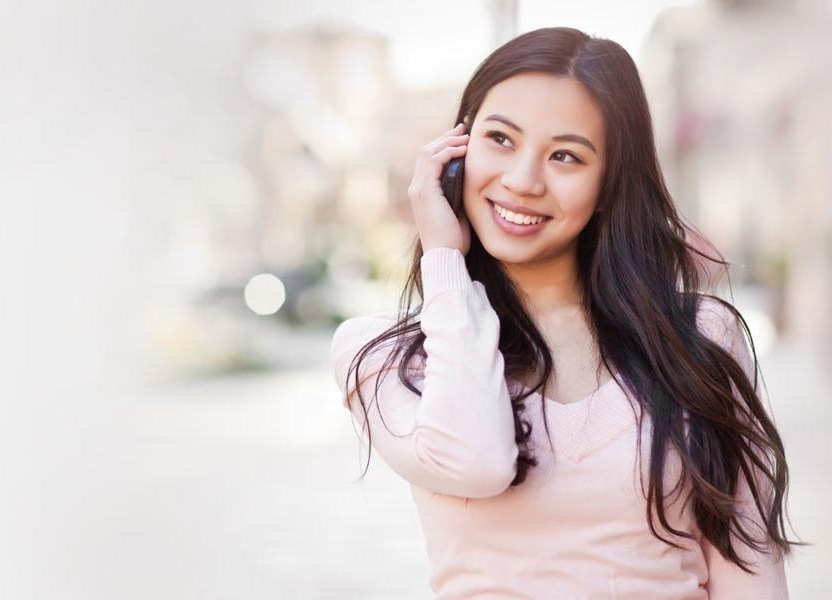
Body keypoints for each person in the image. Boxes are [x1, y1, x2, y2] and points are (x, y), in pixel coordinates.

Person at [329, 27, 800, 598]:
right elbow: (476, 464)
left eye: (565, 156)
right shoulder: (383, 358)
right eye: (500, 139)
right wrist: (445, 264)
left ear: (607, 185)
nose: (524, 180)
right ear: (456, 152)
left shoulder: (699, 338)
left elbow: (747, 563)